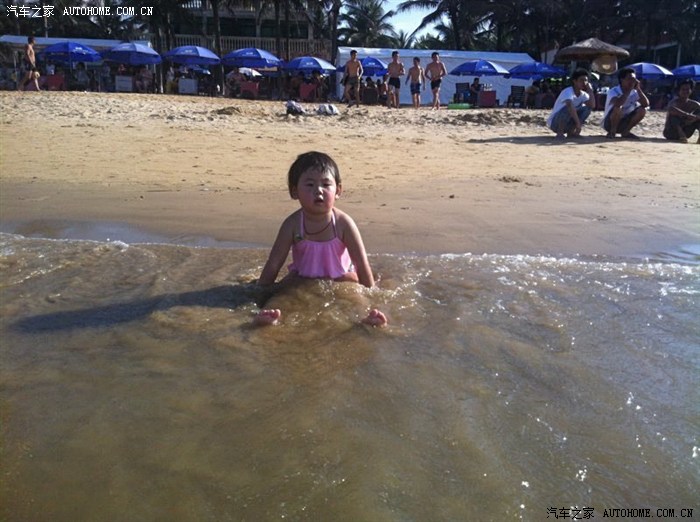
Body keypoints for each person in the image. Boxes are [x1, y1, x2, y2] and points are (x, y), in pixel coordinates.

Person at [255, 151, 387, 327]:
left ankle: (367, 319)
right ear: (294, 191)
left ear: (338, 190)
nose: (318, 190)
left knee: (355, 296)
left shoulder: (343, 224)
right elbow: (273, 264)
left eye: (326, 184)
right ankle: (270, 316)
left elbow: (362, 265)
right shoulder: (292, 224)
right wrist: (260, 293)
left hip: (341, 279)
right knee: (284, 295)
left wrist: (372, 298)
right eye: (310, 185)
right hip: (302, 279)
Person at [546, 68, 596, 140]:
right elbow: (569, 106)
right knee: (568, 107)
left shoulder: (583, 94)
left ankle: (571, 132)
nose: (584, 83)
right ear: (575, 81)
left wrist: (590, 91)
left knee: (587, 108)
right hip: (555, 123)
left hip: (568, 123)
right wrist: (578, 124)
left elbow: (592, 105)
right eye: (581, 80)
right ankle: (560, 133)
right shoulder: (568, 91)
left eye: (586, 80)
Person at [602, 67, 649, 139]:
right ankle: (612, 132)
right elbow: (618, 104)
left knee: (642, 110)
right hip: (609, 123)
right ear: (622, 80)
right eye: (629, 79)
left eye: (634, 79)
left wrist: (638, 89)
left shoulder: (634, 92)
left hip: (625, 122)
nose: (632, 82)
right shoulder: (613, 91)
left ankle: (626, 132)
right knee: (618, 108)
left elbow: (646, 104)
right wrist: (629, 90)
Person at [663, 79, 700, 143]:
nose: (685, 91)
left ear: (691, 90)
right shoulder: (673, 102)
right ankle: (681, 136)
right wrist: (687, 115)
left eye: (687, 89)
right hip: (671, 132)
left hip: (686, 131)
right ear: (678, 91)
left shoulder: (694, 104)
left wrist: (694, 119)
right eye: (683, 89)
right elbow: (671, 109)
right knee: (673, 117)